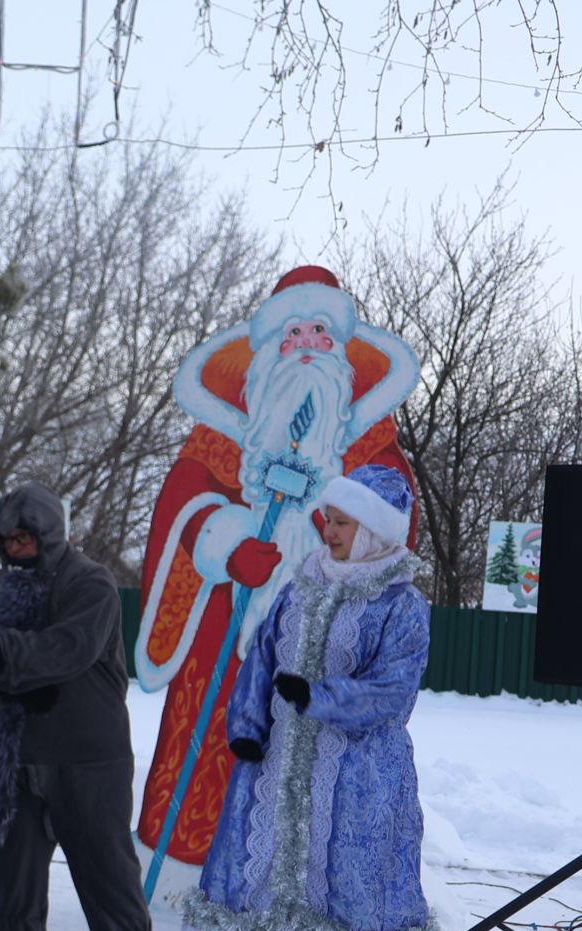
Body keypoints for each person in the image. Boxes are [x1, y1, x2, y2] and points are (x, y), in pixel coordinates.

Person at [135, 267, 421, 866]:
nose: (309, 345)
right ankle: (194, 859)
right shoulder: (221, 436)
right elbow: (186, 498)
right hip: (228, 626)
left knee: (310, 769)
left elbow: (393, 519)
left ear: (343, 351)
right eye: (294, 333)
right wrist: (227, 540)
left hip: (327, 639)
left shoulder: (369, 441)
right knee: (215, 731)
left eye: (322, 331)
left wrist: (332, 532)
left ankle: (298, 875)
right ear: (267, 351)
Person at [179, 464, 449, 931]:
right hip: (280, 762)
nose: (328, 530)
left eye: (342, 521)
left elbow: (394, 689)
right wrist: (248, 727)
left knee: (373, 889)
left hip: (359, 775)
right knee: (273, 874)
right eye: (328, 518)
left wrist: (320, 698)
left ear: (375, 531)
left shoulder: (401, 604)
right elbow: (261, 660)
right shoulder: (300, 586)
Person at [0, 482, 167, 931]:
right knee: (16, 868)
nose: (16, 546)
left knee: (107, 868)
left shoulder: (90, 581)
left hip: (90, 753)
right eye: (7, 538)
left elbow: (71, 648)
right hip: (18, 752)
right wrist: (6, 693)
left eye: (25, 536)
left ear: (50, 534)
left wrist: (4, 652)